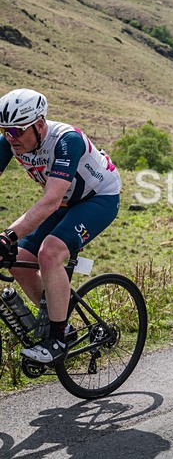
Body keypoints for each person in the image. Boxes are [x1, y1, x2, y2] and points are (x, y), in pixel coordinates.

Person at [0, 88, 121, 363]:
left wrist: (8, 235)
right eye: (4, 130)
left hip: (98, 199)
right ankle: (62, 322)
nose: (10, 137)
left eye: (17, 130)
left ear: (39, 124)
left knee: (50, 253)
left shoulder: (67, 141)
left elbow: (51, 200)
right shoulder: (10, 142)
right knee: (18, 260)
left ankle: (57, 340)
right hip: (66, 202)